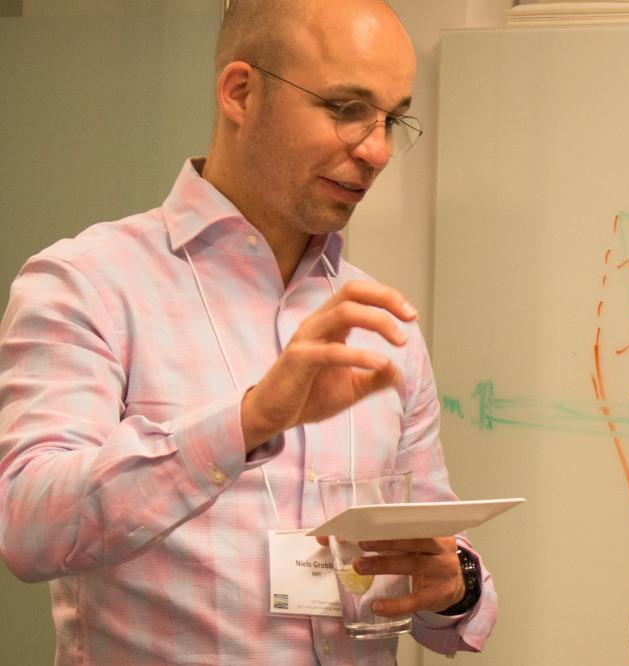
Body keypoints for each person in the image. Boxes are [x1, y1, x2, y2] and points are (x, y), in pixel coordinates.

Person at [0, 0, 495, 662]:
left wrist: (452, 585)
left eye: (393, 118)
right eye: (346, 109)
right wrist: (247, 420)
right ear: (241, 92)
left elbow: (433, 565)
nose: (377, 150)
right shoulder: (89, 282)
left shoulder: (380, 324)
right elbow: (28, 529)